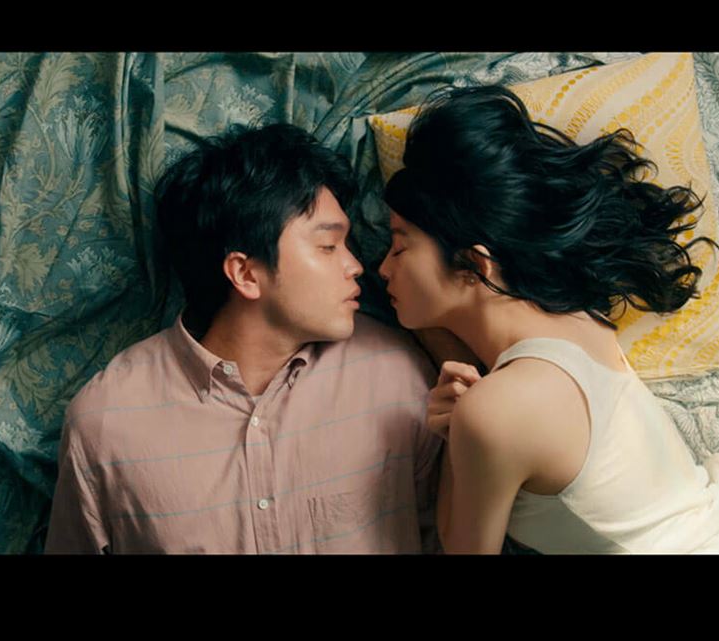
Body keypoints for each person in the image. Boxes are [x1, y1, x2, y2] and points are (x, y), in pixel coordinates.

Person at [377, 85, 719, 554]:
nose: (382, 267)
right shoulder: (580, 317)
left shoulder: (496, 411)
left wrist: (458, 436)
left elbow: (462, 548)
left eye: (400, 246)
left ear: (475, 265)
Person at [45, 123, 446, 554]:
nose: (356, 266)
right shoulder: (106, 423)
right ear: (245, 273)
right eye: (329, 246)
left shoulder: (398, 375)